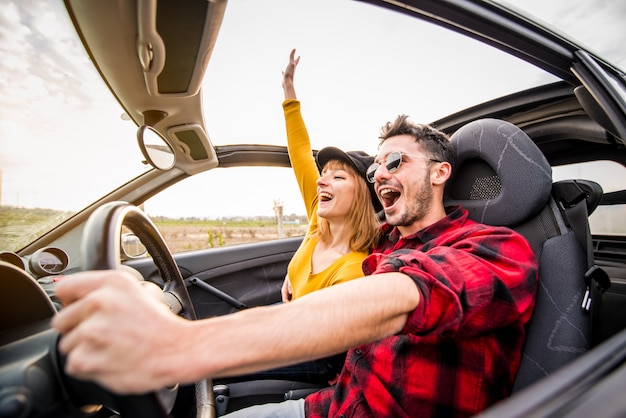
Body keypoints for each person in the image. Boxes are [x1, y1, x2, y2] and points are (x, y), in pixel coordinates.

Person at [52, 114, 538, 418]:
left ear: (439, 172)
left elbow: (405, 296)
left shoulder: (495, 248)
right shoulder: (383, 243)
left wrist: (182, 344)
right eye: (375, 171)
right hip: (334, 405)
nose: (381, 176)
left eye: (396, 162)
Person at [219, 49, 381, 384]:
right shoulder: (317, 222)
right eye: (325, 174)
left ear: (362, 196)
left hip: (317, 353)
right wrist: (288, 91)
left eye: (338, 177)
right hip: (295, 324)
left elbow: (312, 335)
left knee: (213, 361)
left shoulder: (353, 270)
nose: (322, 180)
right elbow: (299, 152)